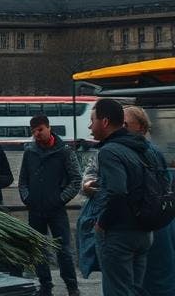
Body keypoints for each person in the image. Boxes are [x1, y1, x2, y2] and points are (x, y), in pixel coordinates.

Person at [89, 97, 153, 296]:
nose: (90, 126)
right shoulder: (143, 148)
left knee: (117, 290)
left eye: (93, 120)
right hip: (144, 231)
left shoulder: (109, 151)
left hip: (119, 234)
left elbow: (117, 191)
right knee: (134, 289)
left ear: (105, 122)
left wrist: (102, 223)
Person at [19, 114, 82, 296]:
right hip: (35, 209)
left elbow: (76, 180)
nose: (37, 134)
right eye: (33, 131)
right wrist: (27, 198)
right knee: (38, 249)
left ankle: (72, 287)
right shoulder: (30, 152)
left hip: (57, 210)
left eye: (40, 130)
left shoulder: (65, 151)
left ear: (48, 128)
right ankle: (45, 286)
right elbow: (23, 180)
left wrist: (61, 199)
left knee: (64, 251)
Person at [124, 105, 175, 296]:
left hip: (154, 223)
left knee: (156, 275)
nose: (121, 128)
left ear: (142, 128)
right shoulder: (150, 152)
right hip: (158, 221)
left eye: (125, 124)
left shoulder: (146, 153)